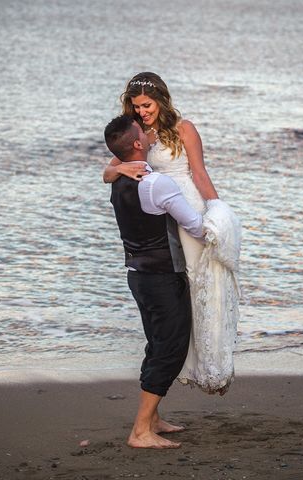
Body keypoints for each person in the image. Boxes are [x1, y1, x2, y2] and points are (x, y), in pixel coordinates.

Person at [103, 73, 240, 395]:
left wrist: (216, 210)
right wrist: (121, 169)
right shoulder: (137, 135)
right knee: (173, 291)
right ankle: (178, 361)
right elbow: (108, 171)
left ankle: (208, 363)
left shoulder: (184, 129)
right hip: (157, 216)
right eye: (136, 107)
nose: (142, 112)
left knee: (198, 282)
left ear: (161, 100)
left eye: (147, 105)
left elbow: (199, 172)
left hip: (188, 209)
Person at [104, 114, 205, 449]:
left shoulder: (118, 179)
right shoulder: (157, 183)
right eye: (141, 133)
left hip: (138, 277)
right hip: (163, 277)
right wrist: (220, 229)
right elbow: (193, 225)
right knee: (170, 349)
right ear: (136, 144)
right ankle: (140, 431)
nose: (148, 134)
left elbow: (112, 169)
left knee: (155, 345)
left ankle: (154, 418)